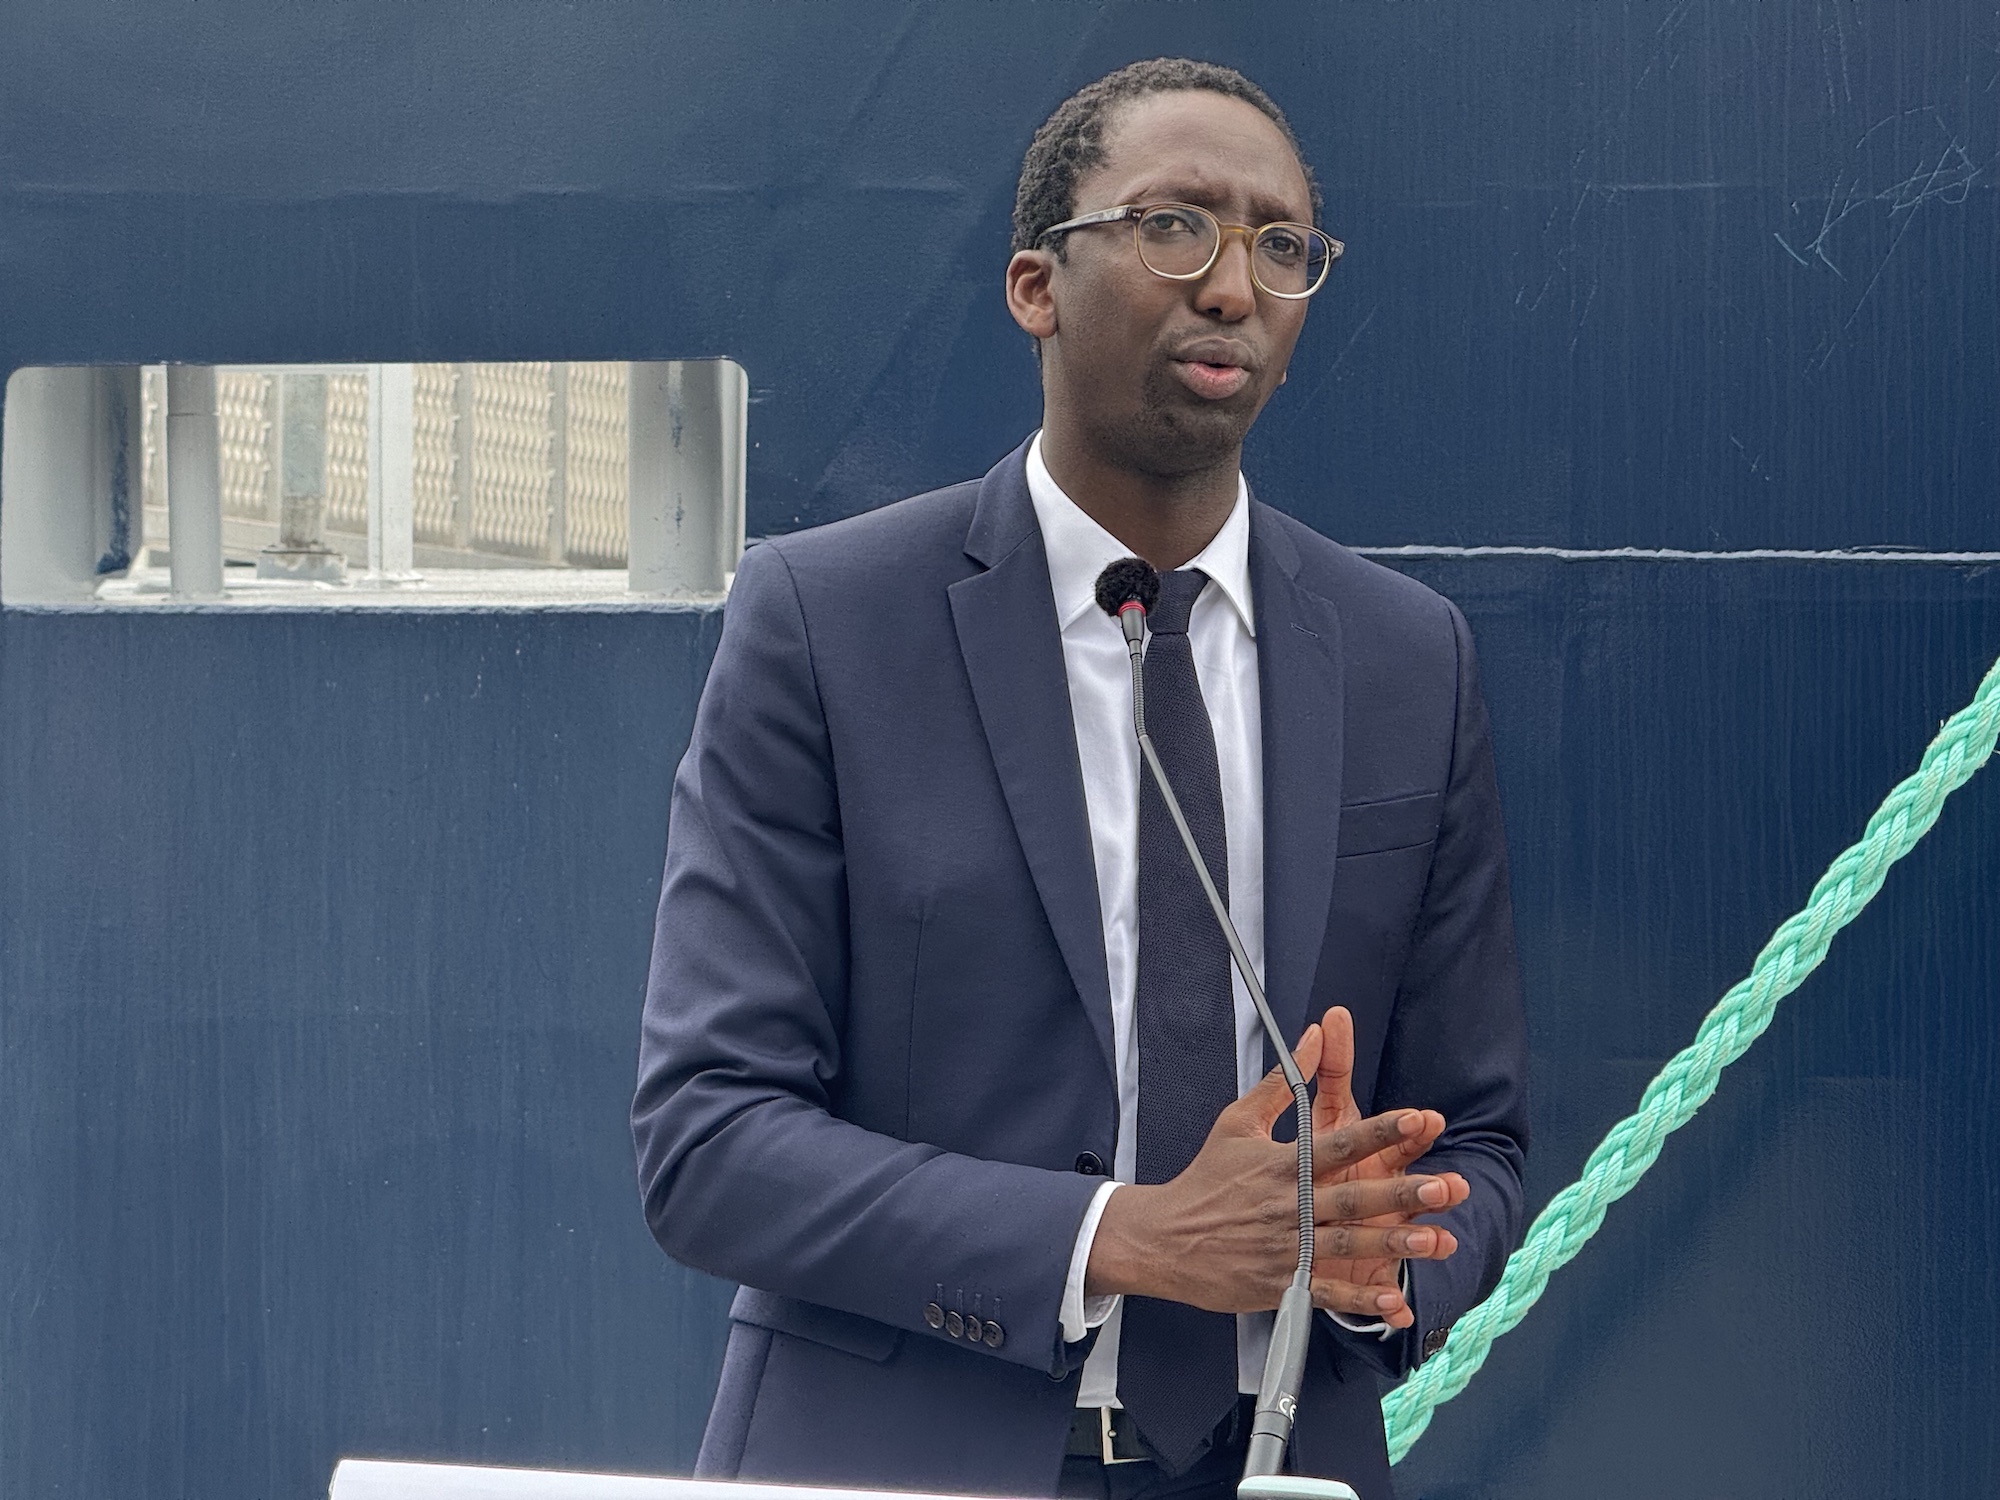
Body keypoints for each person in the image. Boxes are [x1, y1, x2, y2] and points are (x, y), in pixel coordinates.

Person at [632, 57, 1528, 1500]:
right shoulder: (823, 619)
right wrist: (1121, 1236)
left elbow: (1476, 1136)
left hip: (1276, 1464)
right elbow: (710, 1140)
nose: (1232, 283)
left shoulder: (1410, 658)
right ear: (1036, 286)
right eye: (1176, 225)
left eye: (1280, 245)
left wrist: (1379, 1257)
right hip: (900, 1463)